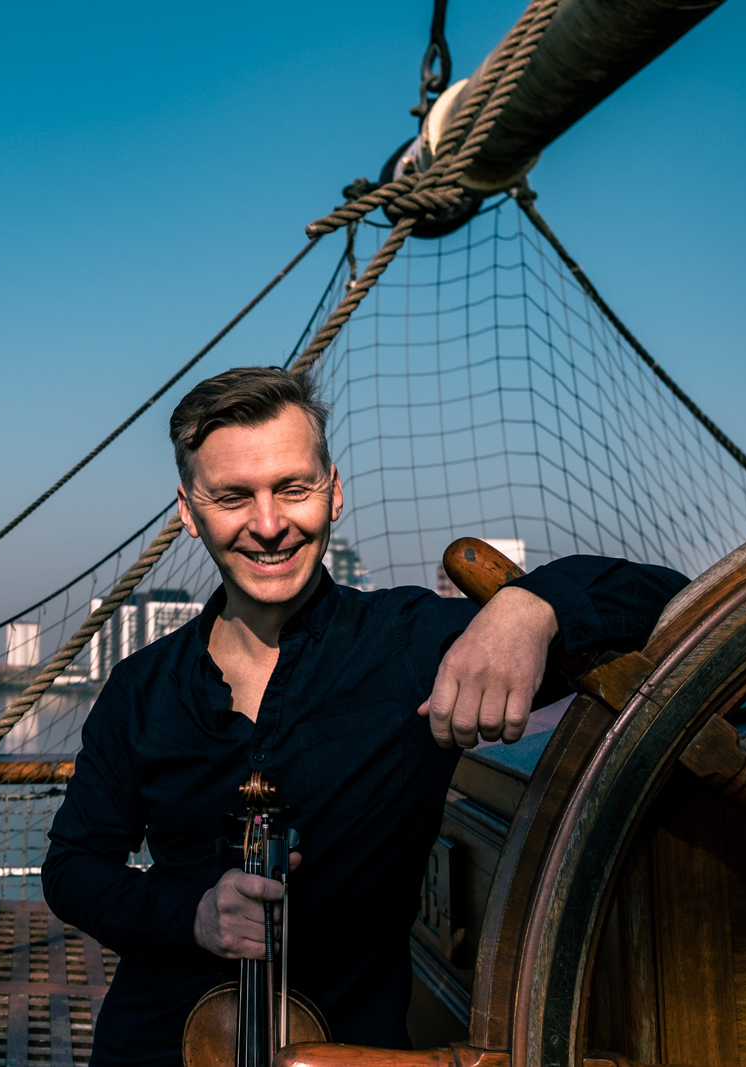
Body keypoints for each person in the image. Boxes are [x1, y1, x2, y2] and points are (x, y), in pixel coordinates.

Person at [40, 367, 687, 1065]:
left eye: (293, 487)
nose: (268, 524)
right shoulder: (140, 688)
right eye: (233, 496)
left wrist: (529, 607)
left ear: (334, 491)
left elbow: (673, 601)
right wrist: (193, 914)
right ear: (190, 512)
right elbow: (74, 866)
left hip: (353, 1050)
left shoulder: (409, 644)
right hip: (156, 1044)